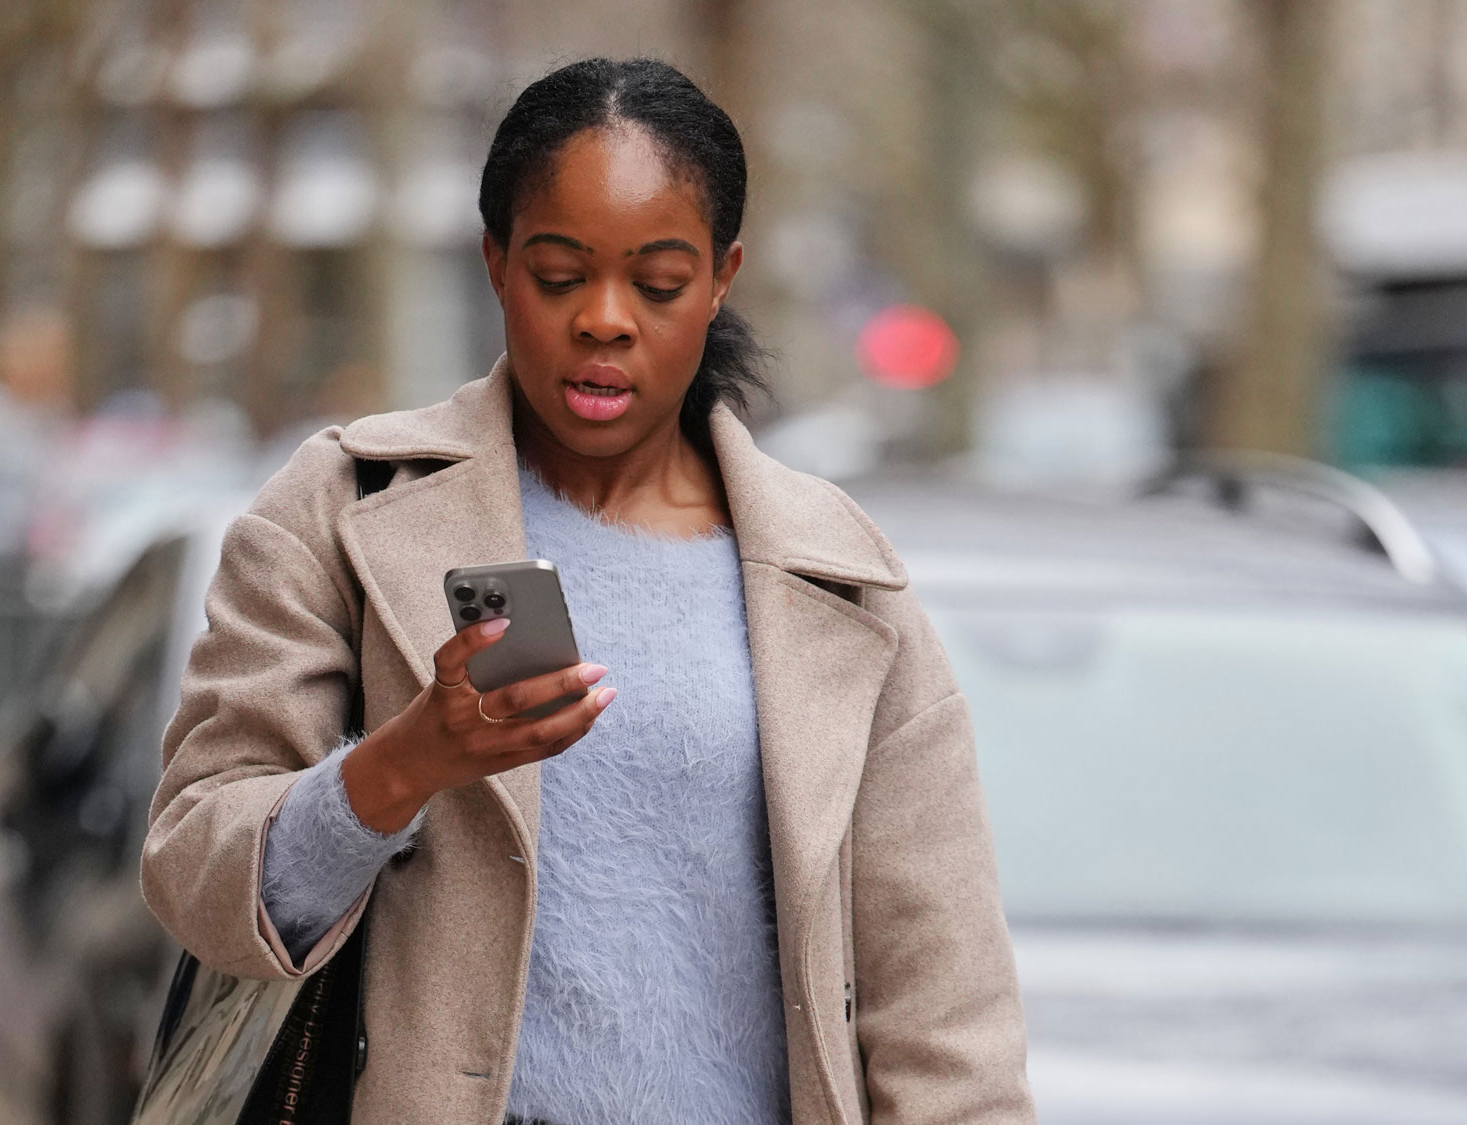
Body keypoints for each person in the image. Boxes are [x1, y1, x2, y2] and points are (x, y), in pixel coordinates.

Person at [141, 56, 1034, 1124]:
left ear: (721, 279)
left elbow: (945, 1018)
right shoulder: (344, 510)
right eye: (560, 275)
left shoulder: (839, 581)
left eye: (657, 284)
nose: (604, 320)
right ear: (495, 264)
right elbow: (194, 872)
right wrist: (405, 763)